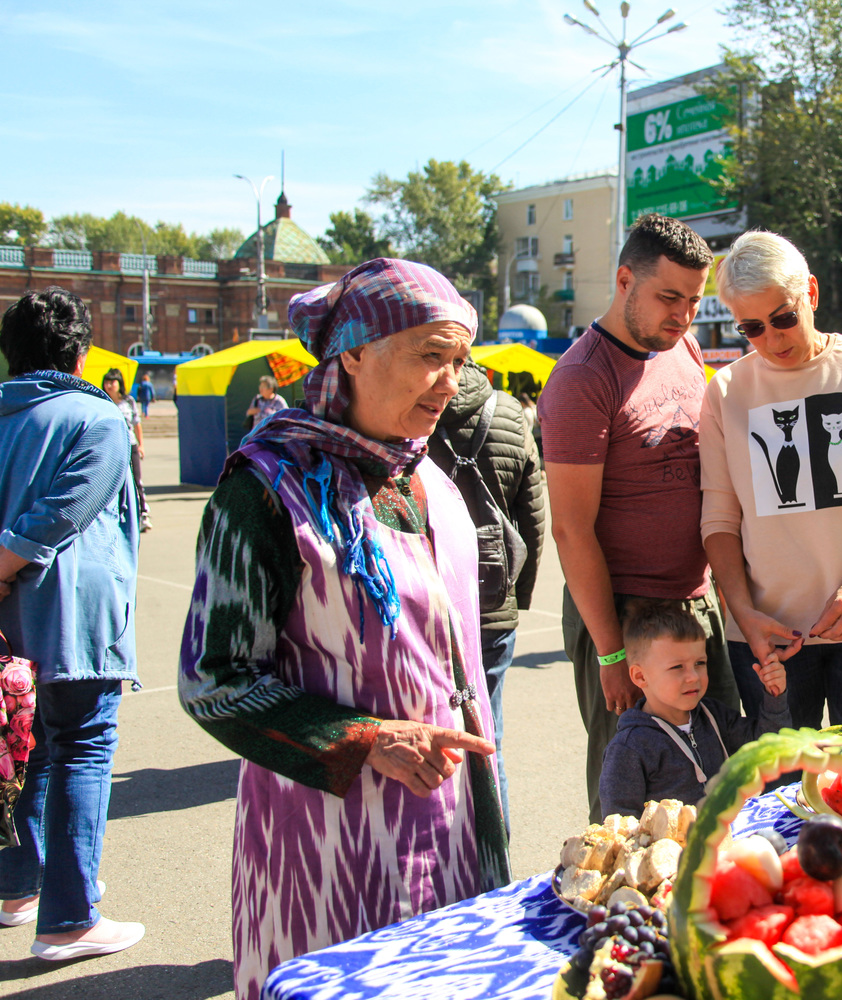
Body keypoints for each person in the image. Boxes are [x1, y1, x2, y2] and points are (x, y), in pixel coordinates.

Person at [178, 258, 507, 1000]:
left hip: (449, 830)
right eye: (431, 356)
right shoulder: (265, 486)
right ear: (353, 353)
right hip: (322, 847)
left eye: (459, 361)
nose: (451, 382)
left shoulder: (432, 482)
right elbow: (213, 678)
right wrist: (365, 738)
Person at [538, 213, 739, 825]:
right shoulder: (581, 378)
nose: (681, 316)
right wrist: (609, 654)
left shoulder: (681, 344)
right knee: (633, 802)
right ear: (625, 280)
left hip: (694, 605)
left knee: (717, 777)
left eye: (693, 302)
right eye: (668, 298)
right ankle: (619, 919)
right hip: (624, 619)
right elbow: (571, 529)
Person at [699, 230, 842, 730]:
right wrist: (743, 614)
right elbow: (719, 518)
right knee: (785, 795)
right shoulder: (726, 391)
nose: (772, 338)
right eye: (752, 328)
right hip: (771, 635)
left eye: (783, 317)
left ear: (811, 292)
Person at [0, 288, 144, 960]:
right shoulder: (99, 418)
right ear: (83, 355)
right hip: (73, 616)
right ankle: (70, 916)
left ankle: (19, 887)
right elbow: (63, 514)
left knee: (23, 749)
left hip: (13, 621)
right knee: (82, 745)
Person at [427, 359, 545, 827]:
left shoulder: (413, 407)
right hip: (494, 597)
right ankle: (497, 859)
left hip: (429, 602)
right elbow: (533, 516)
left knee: (429, 738)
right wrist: (523, 591)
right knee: (487, 735)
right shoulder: (510, 412)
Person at [599, 601, 792, 818]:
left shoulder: (713, 715)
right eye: (677, 667)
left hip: (728, 841)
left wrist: (775, 695)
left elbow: (769, 748)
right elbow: (618, 823)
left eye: (700, 663)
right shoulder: (629, 748)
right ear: (640, 676)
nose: (693, 676)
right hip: (671, 851)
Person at [101, 367, 151, 533]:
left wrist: (141, 444)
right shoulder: (102, 401)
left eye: (112, 382)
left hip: (130, 444)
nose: (109, 385)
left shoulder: (128, 401)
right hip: (111, 446)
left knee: (137, 480)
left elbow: (137, 424)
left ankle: (143, 513)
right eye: (107, 382)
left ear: (119, 383)